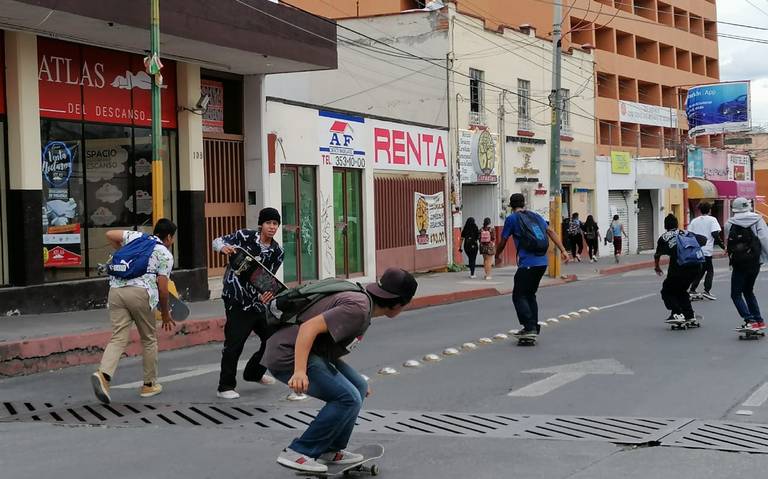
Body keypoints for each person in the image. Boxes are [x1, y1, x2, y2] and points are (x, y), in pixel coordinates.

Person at [263, 268, 418, 473]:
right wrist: (299, 371)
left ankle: (331, 450)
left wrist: (351, 380)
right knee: (348, 398)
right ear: (399, 303)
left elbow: (327, 343)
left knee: (359, 386)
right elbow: (308, 328)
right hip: (288, 354)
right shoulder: (358, 308)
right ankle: (298, 452)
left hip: (310, 352)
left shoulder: (362, 302)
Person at [90, 219, 177, 404]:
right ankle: (149, 384)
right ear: (169, 237)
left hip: (116, 291)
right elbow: (163, 289)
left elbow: (110, 234)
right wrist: (166, 314)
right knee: (148, 339)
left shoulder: (137, 236)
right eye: (172, 238)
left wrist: (120, 253)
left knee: (118, 337)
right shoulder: (164, 254)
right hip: (141, 294)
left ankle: (104, 376)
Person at [212, 207, 285, 399]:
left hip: (258, 303)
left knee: (273, 339)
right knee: (235, 343)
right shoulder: (244, 236)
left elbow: (267, 279)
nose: (272, 227)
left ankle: (254, 372)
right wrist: (223, 248)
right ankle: (225, 386)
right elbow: (217, 241)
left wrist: (266, 295)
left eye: (275, 224)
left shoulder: (277, 252)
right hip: (236, 299)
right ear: (261, 224)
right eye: (268, 223)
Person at [495, 193, 568, 340]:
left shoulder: (512, 219)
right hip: (542, 263)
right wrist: (563, 250)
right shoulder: (536, 216)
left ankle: (529, 327)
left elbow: (503, 240)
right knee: (530, 294)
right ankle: (532, 326)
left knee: (519, 295)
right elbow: (551, 231)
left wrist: (497, 255)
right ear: (524, 204)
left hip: (528, 263)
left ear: (511, 206)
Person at [724, 197, 768, 331]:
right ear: (748, 206)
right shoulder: (758, 219)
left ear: (734, 209)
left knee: (736, 294)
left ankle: (749, 320)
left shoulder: (729, 223)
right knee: (748, 291)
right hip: (755, 261)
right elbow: (764, 239)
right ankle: (758, 320)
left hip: (739, 262)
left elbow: (729, 243)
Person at [653, 214, 705, 324]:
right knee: (681, 290)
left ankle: (677, 313)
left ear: (665, 225)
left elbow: (657, 254)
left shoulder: (664, 237)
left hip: (680, 267)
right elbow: (703, 240)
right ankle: (689, 314)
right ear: (677, 224)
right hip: (696, 266)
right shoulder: (686, 233)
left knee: (667, 290)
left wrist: (657, 266)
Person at [688, 202, 724, 300]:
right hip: (706, 250)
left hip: (696, 250)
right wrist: (723, 246)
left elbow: (689, 234)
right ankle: (706, 291)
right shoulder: (712, 220)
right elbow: (715, 234)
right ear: (709, 210)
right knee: (709, 270)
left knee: (700, 270)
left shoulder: (694, 221)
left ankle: (692, 290)